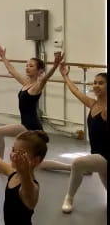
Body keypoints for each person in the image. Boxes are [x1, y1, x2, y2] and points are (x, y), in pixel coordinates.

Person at [40, 66, 107, 213]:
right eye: (94, 82)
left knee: (78, 163)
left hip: (105, 158)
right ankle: (69, 196)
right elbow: (76, 91)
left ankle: (69, 198)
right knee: (79, 164)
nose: (96, 85)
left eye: (101, 83)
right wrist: (65, 76)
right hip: (97, 156)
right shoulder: (93, 104)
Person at [0, 45, 62, 173]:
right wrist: (3, 57)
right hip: (26, 124)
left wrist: (55, 65)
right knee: (38, 164)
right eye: (27, 65)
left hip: (30, 126)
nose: (27, 67)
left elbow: (45, 79)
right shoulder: (26, 83)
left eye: (31, 66)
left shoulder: (36, 87)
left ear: (39, 70)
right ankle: (71, 167)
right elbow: (12, 71)